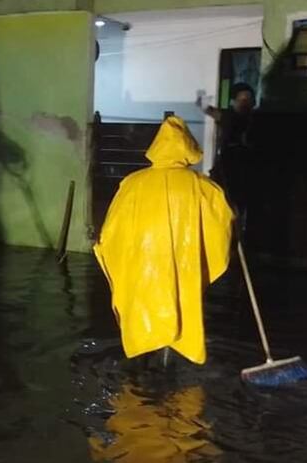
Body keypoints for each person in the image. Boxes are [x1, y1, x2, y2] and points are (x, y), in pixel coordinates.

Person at [93, 115, 234, 365]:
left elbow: (111, 231)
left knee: (142, 315)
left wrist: (108, 251)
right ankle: (168, 366)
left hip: (141, 266)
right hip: (182, 265)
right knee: (179, 307)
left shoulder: (132, 184)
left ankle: (140, 373)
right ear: (188, 147)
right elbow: (221, 226)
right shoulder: (203, 187)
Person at [200, 83, 255, 222]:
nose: (246, 104)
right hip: (226, 171)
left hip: (247, 174)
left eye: (249, 100)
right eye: (242, 100)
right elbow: (206, 108)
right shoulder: (229, 117)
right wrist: (203, 96)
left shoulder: (256, 120)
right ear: (233, 102)